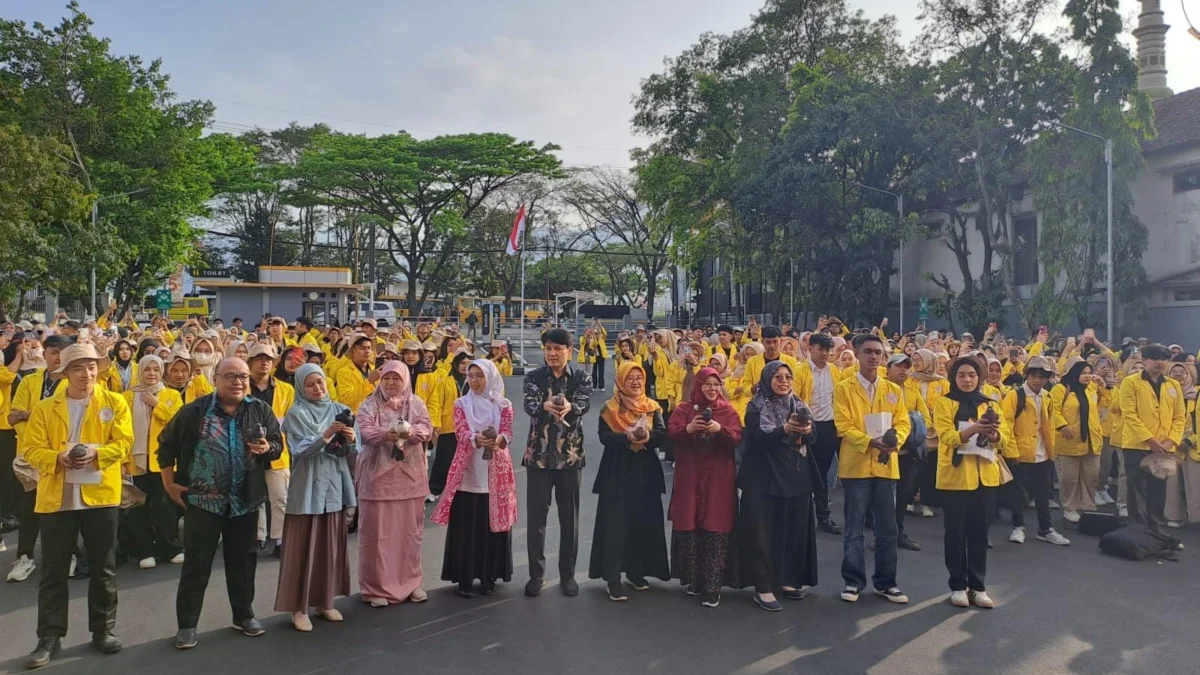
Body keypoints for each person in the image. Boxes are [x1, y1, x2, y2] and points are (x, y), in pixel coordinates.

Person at [158, 357, 284, 650]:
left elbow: (277, 444)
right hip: (203, 502)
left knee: (243, 563)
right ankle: (187, 625)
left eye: (242, 376)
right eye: (230, 376)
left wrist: (268, 448)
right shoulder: (195, 411)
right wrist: (169, 484)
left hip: (245, 502)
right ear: (215, 378)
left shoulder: (259, 410)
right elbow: (166, 445)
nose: (238, 381)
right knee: (196, 565)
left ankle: (244, 615)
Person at [20, 343, 133, 669]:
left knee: (104, 567)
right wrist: (57, 457)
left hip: (101, 495)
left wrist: (97, 454)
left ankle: (103, 629)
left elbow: (124, 443)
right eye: (79, 368)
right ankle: (49, 637)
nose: (87, 374)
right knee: (54, 571)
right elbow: (30, 449)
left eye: (92, 367)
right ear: (65, 372)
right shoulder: (44, 408)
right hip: (57, 498)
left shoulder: (115, 402)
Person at [275, 364, 357, 631]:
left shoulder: (339, 408)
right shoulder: (296, 413)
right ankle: (299, 608)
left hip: (334, 482)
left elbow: (355, 448)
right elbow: (301, 450)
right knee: (303, 547)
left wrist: (352, 437)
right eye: (310, 384)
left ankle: (325, 601)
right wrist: (326, 435)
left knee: (329, 545)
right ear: (301, 387)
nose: (317, 388)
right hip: (308, 484)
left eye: (320, 382)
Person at [833, 334, 911, 605]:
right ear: (856, 353)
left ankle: (886, 583)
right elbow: (843, 425)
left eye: (878, 352)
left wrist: (896, 440)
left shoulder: (893, 389)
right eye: (868, 351)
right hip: (855, 466)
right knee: (854, 528)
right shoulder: (843, 388)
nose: (873, 356)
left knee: (887, 530)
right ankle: (853, 582)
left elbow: (903, 423)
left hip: (886, 466)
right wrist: (869, 441)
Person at [735, 361, 818, 612]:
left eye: (788, 377)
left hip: (795, 477)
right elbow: (758, 438)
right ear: (767, 379)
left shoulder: (800, 405)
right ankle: (764, 586)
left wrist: (806, 429)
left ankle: (789, 580)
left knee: (794, 529)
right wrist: (785, 428)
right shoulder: (756, 406)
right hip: (764, 478)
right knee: (763, 533)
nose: (784, 381)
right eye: (778, 377)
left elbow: (814, 438)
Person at [432, 359, 517, 597]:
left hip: (496, 469)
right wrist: (475, 439)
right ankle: (465, 576)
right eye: (471, 375)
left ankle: (489, 574)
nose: (475, 380)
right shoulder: (462, 403)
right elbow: (460, 431)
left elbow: (508, 432)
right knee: (466, 523)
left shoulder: (503, 405)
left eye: (480, 375)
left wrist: (498, 440)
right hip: (468, 469)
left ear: (490, 377)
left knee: (492, 523)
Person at [936, 357, 1014, 608]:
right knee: (956, 534)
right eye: (962, 375)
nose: (967, 380)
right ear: (954, 378)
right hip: (956, 478)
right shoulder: (944, 403)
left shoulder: (990, 404)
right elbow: (946, 436)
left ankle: (978, 586)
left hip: (985, 477)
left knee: (980, 534)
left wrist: (994, 434)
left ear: (979, 378)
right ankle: (957, 585)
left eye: (971, 375)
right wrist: (973, 429)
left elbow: (1005, 440)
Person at [355, 361, 434, 606]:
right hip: (378, 480)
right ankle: (375, 587)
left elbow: (427, 429)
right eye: (386, 378)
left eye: (396, 378)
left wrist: (409, 433)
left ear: (405, 380)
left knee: (409, 534)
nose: (390, 383)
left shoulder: (416, 403)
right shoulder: (369, 404)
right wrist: (384, 435)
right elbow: (363, 432)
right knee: (377, 534)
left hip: (409, 480)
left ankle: (410, 583)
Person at [522, 328, 592, 598]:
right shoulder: (533, 377)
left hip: (570, 457)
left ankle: (568, 576)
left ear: (569, 351)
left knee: (569, 521)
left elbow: (584, 403)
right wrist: (545, 406)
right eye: (548, 348)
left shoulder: (582, 377)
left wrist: (570, 407)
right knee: (536, 520)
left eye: (558, 349)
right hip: (538, 457)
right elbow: (529, 404)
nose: (552, 353)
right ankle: (536, 576)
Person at [591, 361, 669, 602]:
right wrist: (627, 438)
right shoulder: (609, 407)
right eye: (630, 378)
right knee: (616, 525)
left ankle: (637, 571)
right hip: (617, 472)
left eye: (639, 378)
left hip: (646, 473)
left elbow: (661, 434)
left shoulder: (652, 406)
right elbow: (604, 437)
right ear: (620, 381)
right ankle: (613, 578)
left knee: (642, 523)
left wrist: (647, 436)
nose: (635, 382)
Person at [667, 365, 742, 607]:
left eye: (716, 384)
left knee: (715, 525)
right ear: (698, 386)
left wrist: (719, 429)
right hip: (690, 476)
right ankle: (695, 580)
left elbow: (737, 438)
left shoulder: (727, 410)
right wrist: (689, 429)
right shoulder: (684, 409)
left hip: (718, 478)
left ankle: (713, 585)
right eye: (707, 384)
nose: (711, 389)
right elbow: (671, 433)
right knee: (691, 524)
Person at [7, 335, 73, 584]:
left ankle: (70, 555)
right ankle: (24, 557)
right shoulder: (29, 381)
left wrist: (30, 416)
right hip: (30, 457)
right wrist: (35, 426)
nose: (57, 357)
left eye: (61, 353)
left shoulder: (72, 384)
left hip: (61, 457)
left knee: (64, 509)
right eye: (53, 352)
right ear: (43, 354)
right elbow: (13, 417)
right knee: (29, 509)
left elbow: (67, 420)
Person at [121, 354, 185, 569]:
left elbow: (178, 423)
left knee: (165, 507)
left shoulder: (171, 395)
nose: (151, 374)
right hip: (135, 460)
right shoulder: (127, 397)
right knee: (137, 507)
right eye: (147, 369)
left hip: (163, 461)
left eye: (155, 370)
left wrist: (157, 405)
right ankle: (143, 550)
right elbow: (121, 430)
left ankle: (170, 547)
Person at [1000, 356, 1070, 545]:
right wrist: (1011, 450)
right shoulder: (1016, 395)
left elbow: (1051, 424)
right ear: (1027, 376)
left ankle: (1045, 528)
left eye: (1042, 376)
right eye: (1034, 376)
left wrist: (1050, 450)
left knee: (1043, 493)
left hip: (1042, 452)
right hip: (1020, 452)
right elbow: (1006, 423)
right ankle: (1018, 526)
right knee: (1017, 493)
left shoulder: (1047, 397)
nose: (1037, 380)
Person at [1119, 343, 1186, 534]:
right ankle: (1138, 530)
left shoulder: (1172, 385)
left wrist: (1171, 440)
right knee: (1137, 489)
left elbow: (1179, 416)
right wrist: (1150, 439)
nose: (1160, 363)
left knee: (1158, 491)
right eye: (1155, 358)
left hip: (1165, 447)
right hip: (1137, 445)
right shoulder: (1131, 382)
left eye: (1163, 359)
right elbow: (1129, 414)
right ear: (1145, 360)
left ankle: (1156, 530)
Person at [247, 343, 296, 557]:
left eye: (268, 358)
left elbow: (291, 419)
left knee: (280, 497)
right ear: (250, 362)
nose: (264, 362)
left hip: (277, 449)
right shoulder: (243, 387)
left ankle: (279, 539)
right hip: (248, 450)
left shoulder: (286, 389)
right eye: (259, 358)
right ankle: (258, 537)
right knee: (254, 497)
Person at [794, 332, 843, 535]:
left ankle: (823, 516)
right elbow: (795, 398)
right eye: (820, 349)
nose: (824, 354)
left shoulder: (835, 372)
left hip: (829, 426)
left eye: (827, 350)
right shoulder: (800, 371)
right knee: (803, 472)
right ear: (809, 349)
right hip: (807, 425)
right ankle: (800, 518)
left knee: (822, 473)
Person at [887, 353, 930, 552]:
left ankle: (898, 533)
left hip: (908, 452)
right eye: (899, 366)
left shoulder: (913, 390)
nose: (903, 370)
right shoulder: (881, 388)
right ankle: (883, 535)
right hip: (886, 450)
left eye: (906, 367)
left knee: (903, 495)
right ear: (888, 368)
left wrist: (914, 430)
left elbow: (925, 417)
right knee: (884, 498)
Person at [1051, 361, 1103, 523]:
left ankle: (1088, 505)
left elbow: (1106, 404)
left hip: (1091, 440)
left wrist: (1105, 387)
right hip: (1068, 441)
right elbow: (1053, 410)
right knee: (1069, 478)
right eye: (1083, 373)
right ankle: (1070, 508)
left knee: (1091, 476)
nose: (1087, 376)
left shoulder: (1092, 388)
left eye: (1089, 372)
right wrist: (1062, 425)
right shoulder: (1061, 389)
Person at [427, 351, 470, 497]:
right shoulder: (445, 380)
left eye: (468, 363)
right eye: (463, 363)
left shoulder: (474, 381)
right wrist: (435, 424)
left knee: (468, 460)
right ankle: (434, 489)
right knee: (444, 459)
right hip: (449, 426)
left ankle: (461, 489)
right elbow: (437, 403)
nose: (465, 366)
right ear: (456, 363)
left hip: (470, 427)